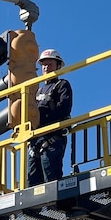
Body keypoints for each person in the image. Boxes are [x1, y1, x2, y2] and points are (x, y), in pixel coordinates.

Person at [27, 49, 73, 187]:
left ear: (58, 66)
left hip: (53, 138)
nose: (46, 68)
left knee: (51, 180)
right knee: (32, 181)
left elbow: (63, 109)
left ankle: (54, 206)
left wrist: (41, 117)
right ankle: (33, 208)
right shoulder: (37, 90)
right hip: (36, 140)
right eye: (44, 65)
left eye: (50, 64)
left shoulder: (62, 85)